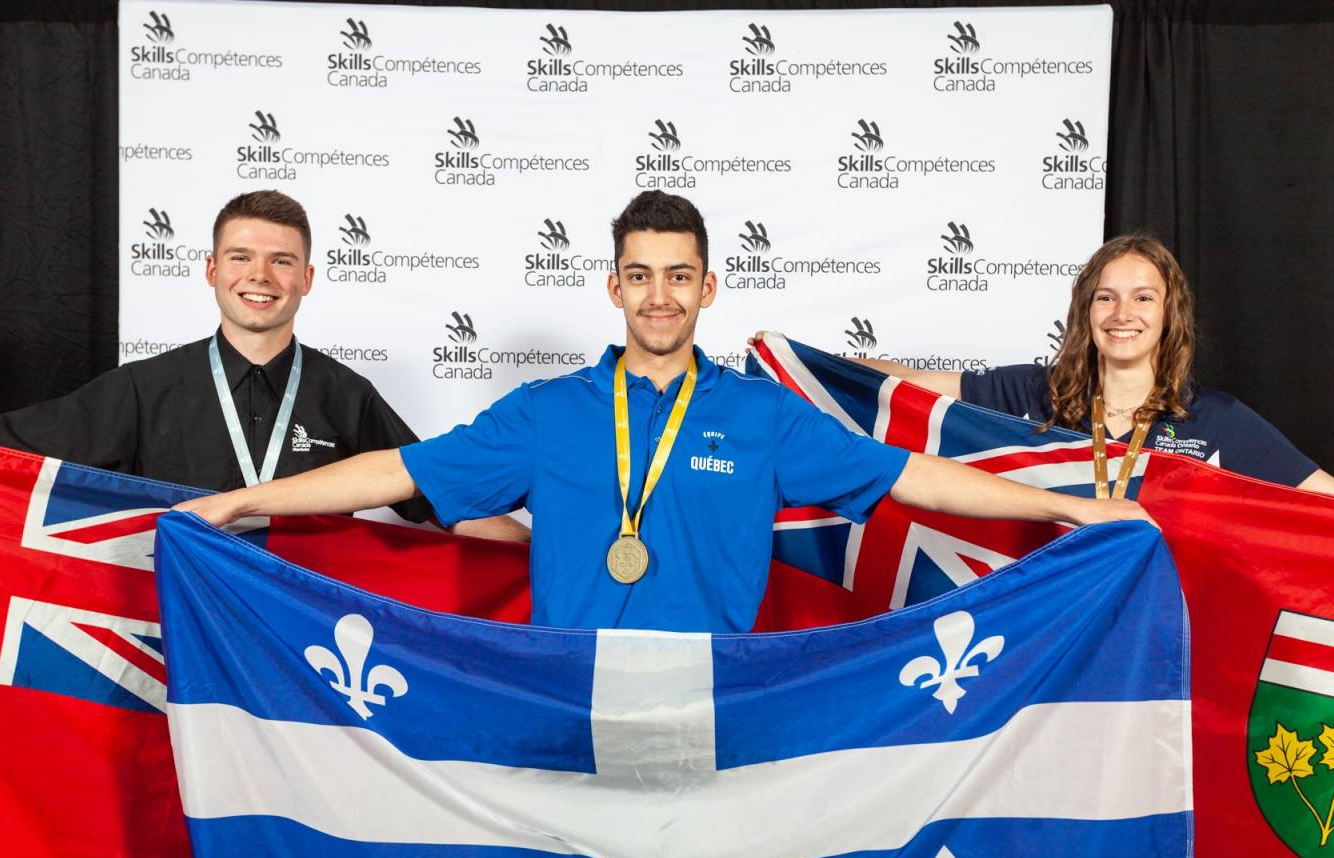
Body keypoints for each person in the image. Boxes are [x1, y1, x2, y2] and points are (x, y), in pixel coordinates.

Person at [178, 191, 1148, 633]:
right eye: (640, 276)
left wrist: (1068, 509)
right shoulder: (548, 412)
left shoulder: (763, 417)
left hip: (719, 702)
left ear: (708, 288)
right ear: (612, 287)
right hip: (571, 698)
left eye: (678, 277)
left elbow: (914, 479)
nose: (658, 296)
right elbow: (398, 472)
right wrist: (239, 503)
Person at [0, 190, 528, 540]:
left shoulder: (345, 394)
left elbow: (440, 501)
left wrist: (560, 550)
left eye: (281, 261)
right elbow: (8, 442)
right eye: (241, 257)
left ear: (307, 278)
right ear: (212, 271)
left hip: (302, 633)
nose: (260, 277)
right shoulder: (144, 387)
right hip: (173, 630)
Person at [826, 233, 1334, 503]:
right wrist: (803, 362)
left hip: (1165, 634)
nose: (1123, 314)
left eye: (1143, 299)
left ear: (1170, 313)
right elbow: (907, 384)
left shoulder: (1216, 420)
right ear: (1086, 310)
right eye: (1106, 298)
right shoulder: (1033, 392)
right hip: (1052, 626)